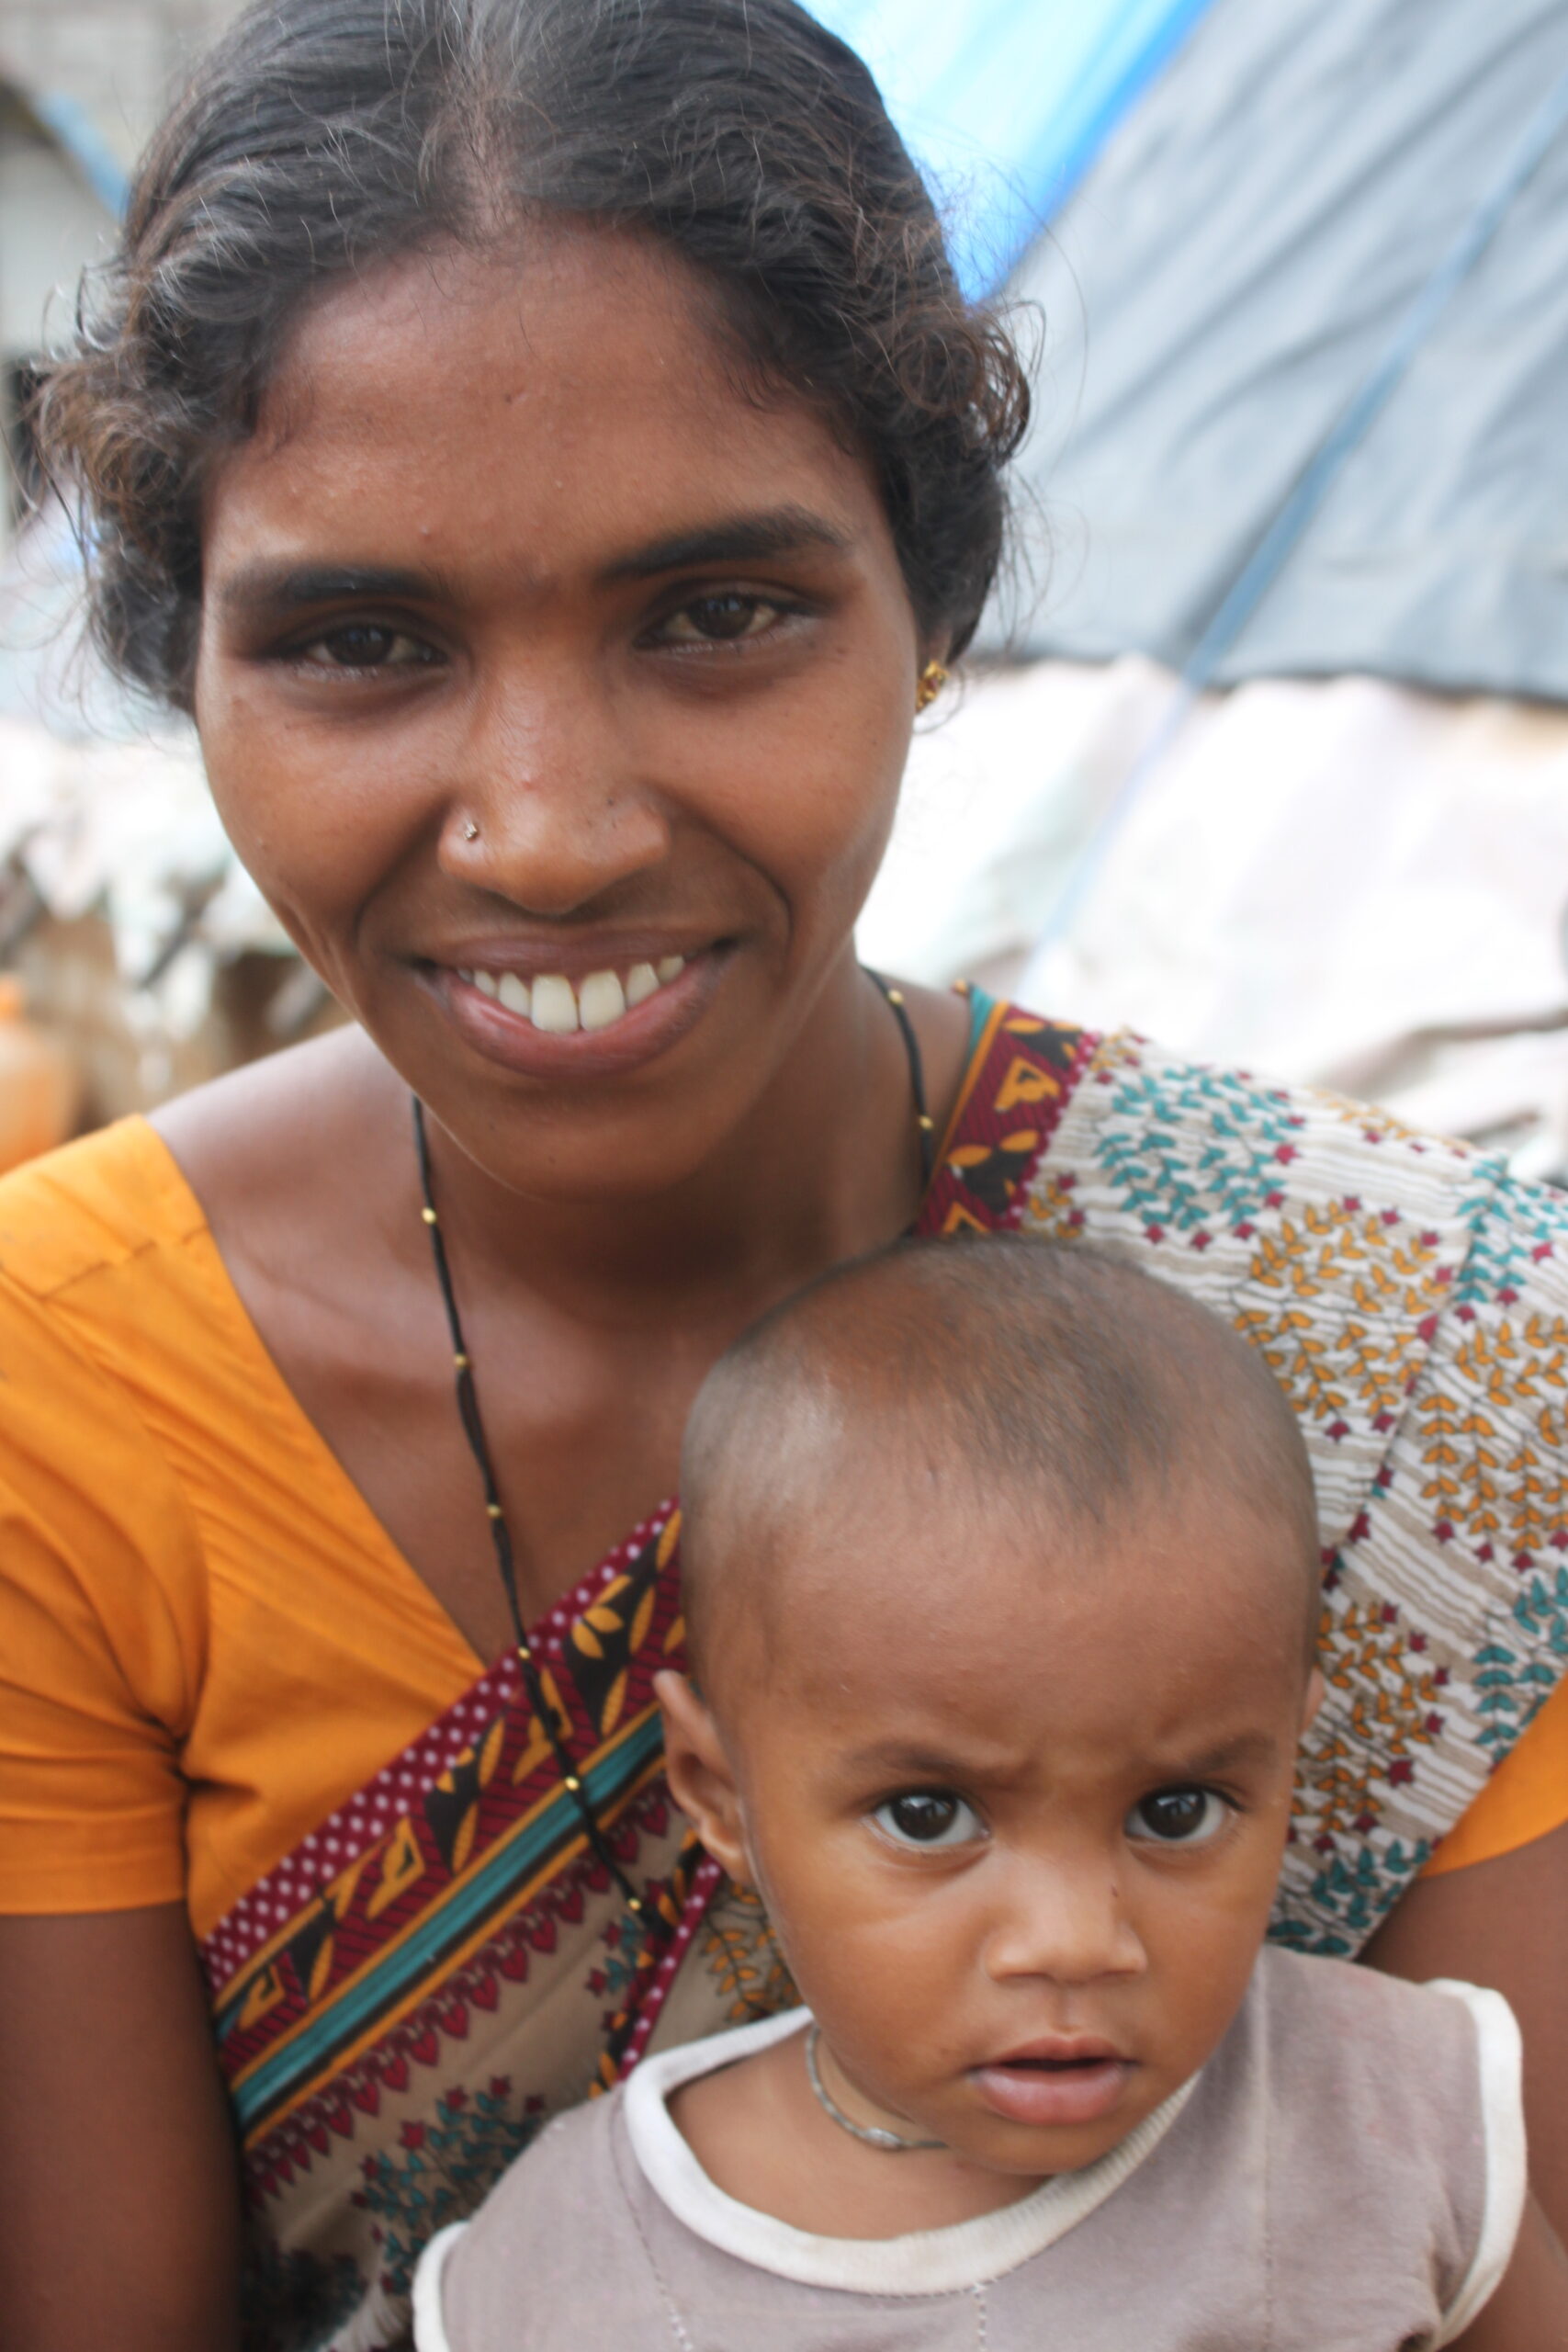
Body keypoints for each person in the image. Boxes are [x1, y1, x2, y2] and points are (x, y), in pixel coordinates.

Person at [1, 3, 1565, 2347]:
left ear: (930, 607)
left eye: (717, 613)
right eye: (356, 642)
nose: (545, 825)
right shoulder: (54, 1401)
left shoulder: (1424, 1371)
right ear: (179, 672)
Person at [415, 1238, 1567, 2350]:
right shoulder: (570, 2266)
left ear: (1287, 1757)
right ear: (720, 1794)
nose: (1073, 1942)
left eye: (1176, 1811)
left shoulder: (1394, 2112)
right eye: (927, 1815)